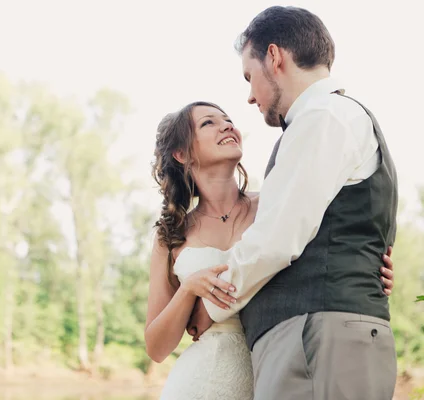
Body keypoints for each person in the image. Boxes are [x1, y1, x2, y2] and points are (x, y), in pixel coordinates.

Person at [187, 6, 399, 400]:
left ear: (274, 57)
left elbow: (276, 240)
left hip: (316, 338)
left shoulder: (323, 117)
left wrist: (211, 307)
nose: (250, 96)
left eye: (250, 76)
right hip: (319, 337)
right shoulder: (328, 120)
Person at [144, 101, 395, 400]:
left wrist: (369, 270)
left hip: (277, 370)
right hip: (196, 384)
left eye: (228, 119)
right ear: (182, 154)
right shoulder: (170, 235)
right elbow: (157, 348)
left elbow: (326, 255)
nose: (227, 125)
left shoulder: (275, 207)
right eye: (208, 123)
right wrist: (188, 290)